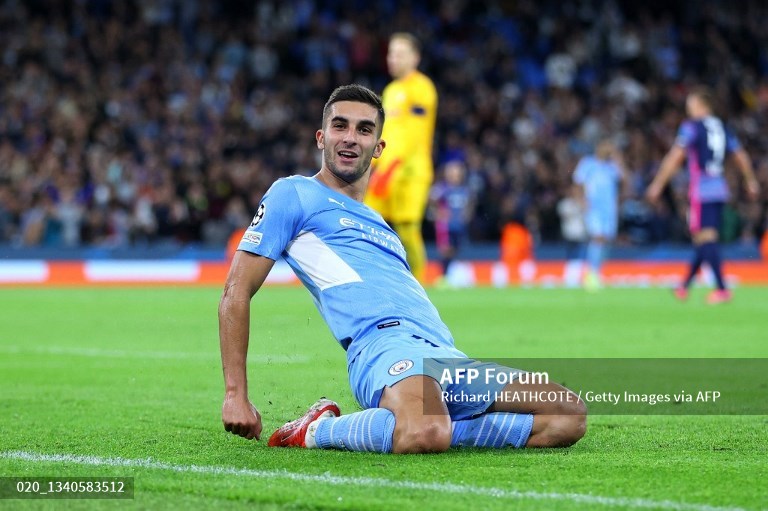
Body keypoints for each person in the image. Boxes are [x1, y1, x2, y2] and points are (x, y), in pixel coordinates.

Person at [219, 84, 586, 454]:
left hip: (445, 353)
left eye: (364, 129)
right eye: (340, 126)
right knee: (425, 431)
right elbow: (236, 290)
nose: (350, 137)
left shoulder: (381, 225)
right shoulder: (294, 194)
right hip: (384, 346)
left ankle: (433, 422)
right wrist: (235, 394)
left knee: (568, 415)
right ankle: (317, 430)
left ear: (378, 148)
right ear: (321, 137)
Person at [646, 87, 760, 304]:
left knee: (706, 238)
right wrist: (750, 180)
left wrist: (658, 183)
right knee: (702, 238)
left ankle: (722, 289)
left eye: (691, 104)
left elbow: (675, 156)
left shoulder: (691, 127)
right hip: (720, 188)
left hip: (702, 189)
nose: (688, 109)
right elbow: (740, 155)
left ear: (702, 105)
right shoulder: (722, 127)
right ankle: (684, 286)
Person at [364, 33, 437, 282]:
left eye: (399, 54)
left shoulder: (422, 89)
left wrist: (393, 165)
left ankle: (419, 282)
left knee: (407, 227)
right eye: (391, 53)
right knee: (367, 219)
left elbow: (415, 134)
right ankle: (372, 277)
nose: (392, 59)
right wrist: (372, 163)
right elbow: (385, 132)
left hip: (411, 170)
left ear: (415, 58)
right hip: (386, 169)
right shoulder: (391, 90)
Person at [573, 140, 626, 290]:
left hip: (609, 209)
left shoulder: (612, 166)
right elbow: (577, 183)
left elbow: (625, 180)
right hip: (594, 207)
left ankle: (596, 271)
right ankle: (591, 273)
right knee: (598, 237)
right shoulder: (587, 163)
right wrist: (581, 201)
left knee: (606, 240)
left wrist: (618, 159)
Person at [430, 160, 473, 286]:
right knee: (445, 250)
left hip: (459, 225)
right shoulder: (442, 188)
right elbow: (431, 199)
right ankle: (443, 277)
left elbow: (470, 203)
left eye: (456, 173)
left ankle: (450, 276)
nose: (454, 175)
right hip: (445, 226)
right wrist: (437, 213)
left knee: (455, 250)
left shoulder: (464, 190)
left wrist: (467, 214)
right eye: (451, 173)